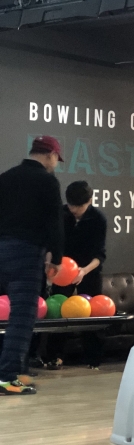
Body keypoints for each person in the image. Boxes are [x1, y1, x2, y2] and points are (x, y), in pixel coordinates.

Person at [0, 136, 63, 395]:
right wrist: (56, 258)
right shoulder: (47, 181)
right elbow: (55, 222)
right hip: (26, 253)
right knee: (22, 318)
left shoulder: (5, 177)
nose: (55, 164)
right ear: (50, 155)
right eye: (56, 159)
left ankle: (18, 372)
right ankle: (8, 378)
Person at [45, 180, 108, 370]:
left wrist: (84, 270)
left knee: (92, 313)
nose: (74, 209)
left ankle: (93, 358)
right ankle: (54, 356)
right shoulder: (61, 214)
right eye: (71, 205)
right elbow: (52, 244)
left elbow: (100, 255)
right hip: (63, 271)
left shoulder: (98, 219)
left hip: (89, 271)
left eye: (79, 206)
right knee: (59, 311)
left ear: (89, 201)